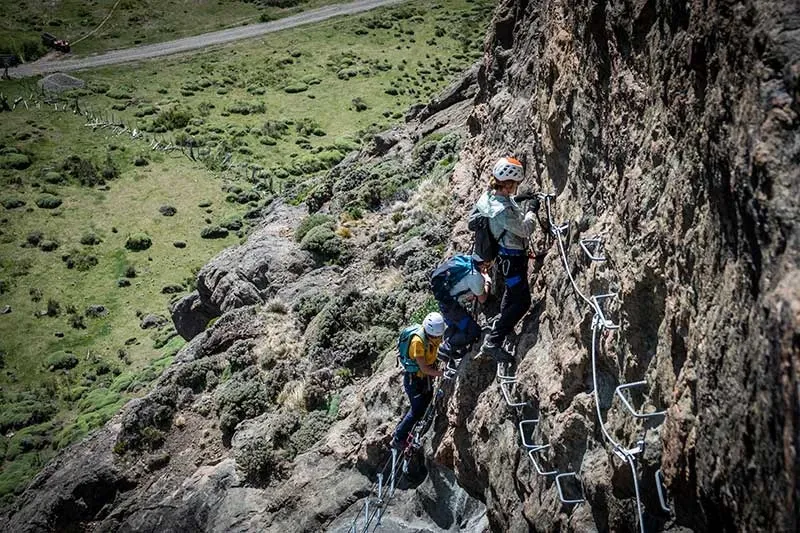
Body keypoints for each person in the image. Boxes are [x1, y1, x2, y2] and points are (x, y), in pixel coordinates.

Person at [473, 157, 537, 362]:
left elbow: (503, 207)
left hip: (506, 259)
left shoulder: (491, 196)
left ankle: (503, 323)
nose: (516, 188)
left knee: (512, 293)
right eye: (515, 185)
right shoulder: (501, 211)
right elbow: (526, 230)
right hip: (514, 260)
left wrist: (518, 200)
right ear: (508, 184)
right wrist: (532, 211)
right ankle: (494, 341)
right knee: (523, 302)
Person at [391, 312, 446, 449]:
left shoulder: (433, 333)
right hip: (413, 380)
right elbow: (424, 368)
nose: (438, 338)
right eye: (436, 336)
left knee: (427, 399)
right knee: (416, 410)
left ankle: (418, 422)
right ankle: (398, 438)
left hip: (422, 378)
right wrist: (443, 373)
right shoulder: (418, 342)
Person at [430, 254, 491, 361]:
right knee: (473, 331)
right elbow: (483, 299)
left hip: (446, 302)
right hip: (452, 307)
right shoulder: (475, 277)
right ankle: (447, 348)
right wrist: (487, 281)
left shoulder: (465, 259)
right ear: (485, 263)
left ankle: (453, 342)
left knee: (458, 326)